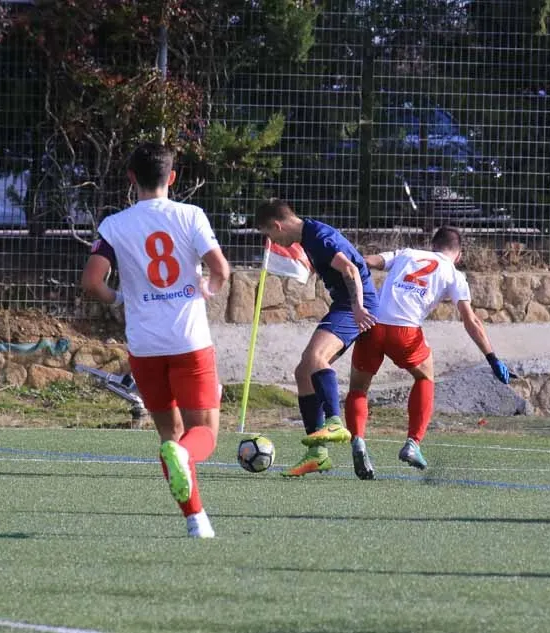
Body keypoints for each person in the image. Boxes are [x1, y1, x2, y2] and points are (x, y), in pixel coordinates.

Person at [81, 143, 230, 538]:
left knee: (169, 436)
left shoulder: (114, 224)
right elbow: (220, 269)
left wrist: (118, 299)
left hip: (145, 347)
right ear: (172, 177)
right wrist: (209, 287)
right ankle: (185, 460)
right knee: (204, 434)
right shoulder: (190, 215)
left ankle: (196, 520)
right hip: (189, 341)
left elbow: (92, 282)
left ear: (131, 178)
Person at [345, 226, 511, 480]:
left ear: (433, 245)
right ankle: (413, 443)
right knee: (424, 377)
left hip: (373, 324)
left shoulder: (407, 253)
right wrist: (492, 357)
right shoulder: (453, 273)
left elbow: (367, 261)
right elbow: (471, 320)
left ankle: (358, 440)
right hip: (406, 332)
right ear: (459, 254)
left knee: (358, 388)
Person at [255, 199, 378, 476]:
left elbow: (350, 269)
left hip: (355, 306)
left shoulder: (319, 237)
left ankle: (334, 422)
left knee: (316, 358)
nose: (271, 241)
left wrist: (358, 307)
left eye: (269, 234)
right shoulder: (309, 236)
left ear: (277, 226)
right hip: (345, 305)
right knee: (303, 373)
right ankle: (317, 455)